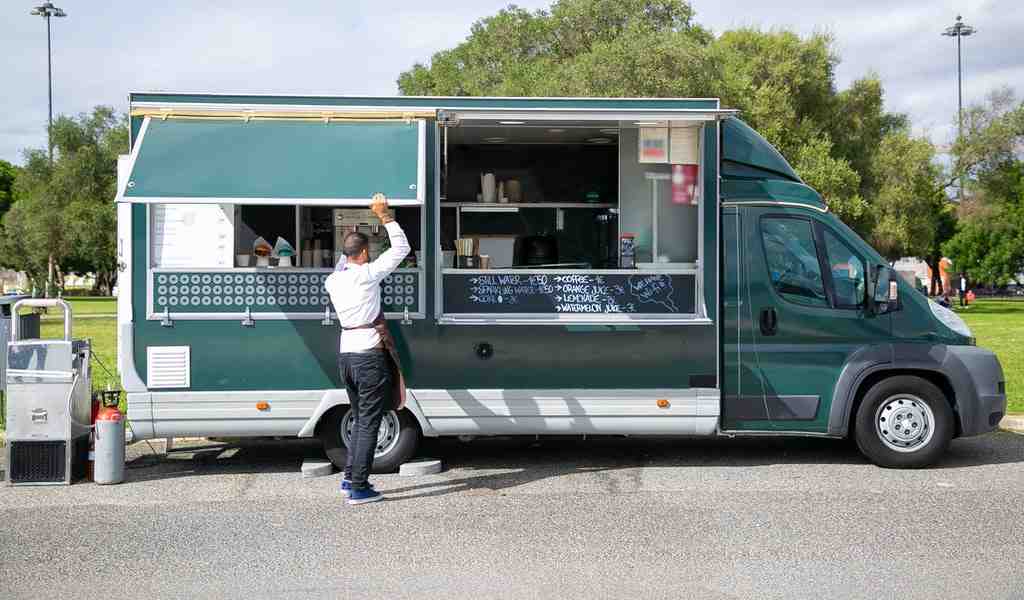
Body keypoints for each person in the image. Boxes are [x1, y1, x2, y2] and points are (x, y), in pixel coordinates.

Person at [324, 193, 410, 505]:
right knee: (368, 423)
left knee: (360, 419)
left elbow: (345, 258)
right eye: (368, 252)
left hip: (346, 355)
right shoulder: (367, 275)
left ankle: (350, 478)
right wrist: (383, 215)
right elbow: (402, 249)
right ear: (364, 253)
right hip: (368, 357)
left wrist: (358, 228)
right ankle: (359, 487)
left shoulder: (334, 280)